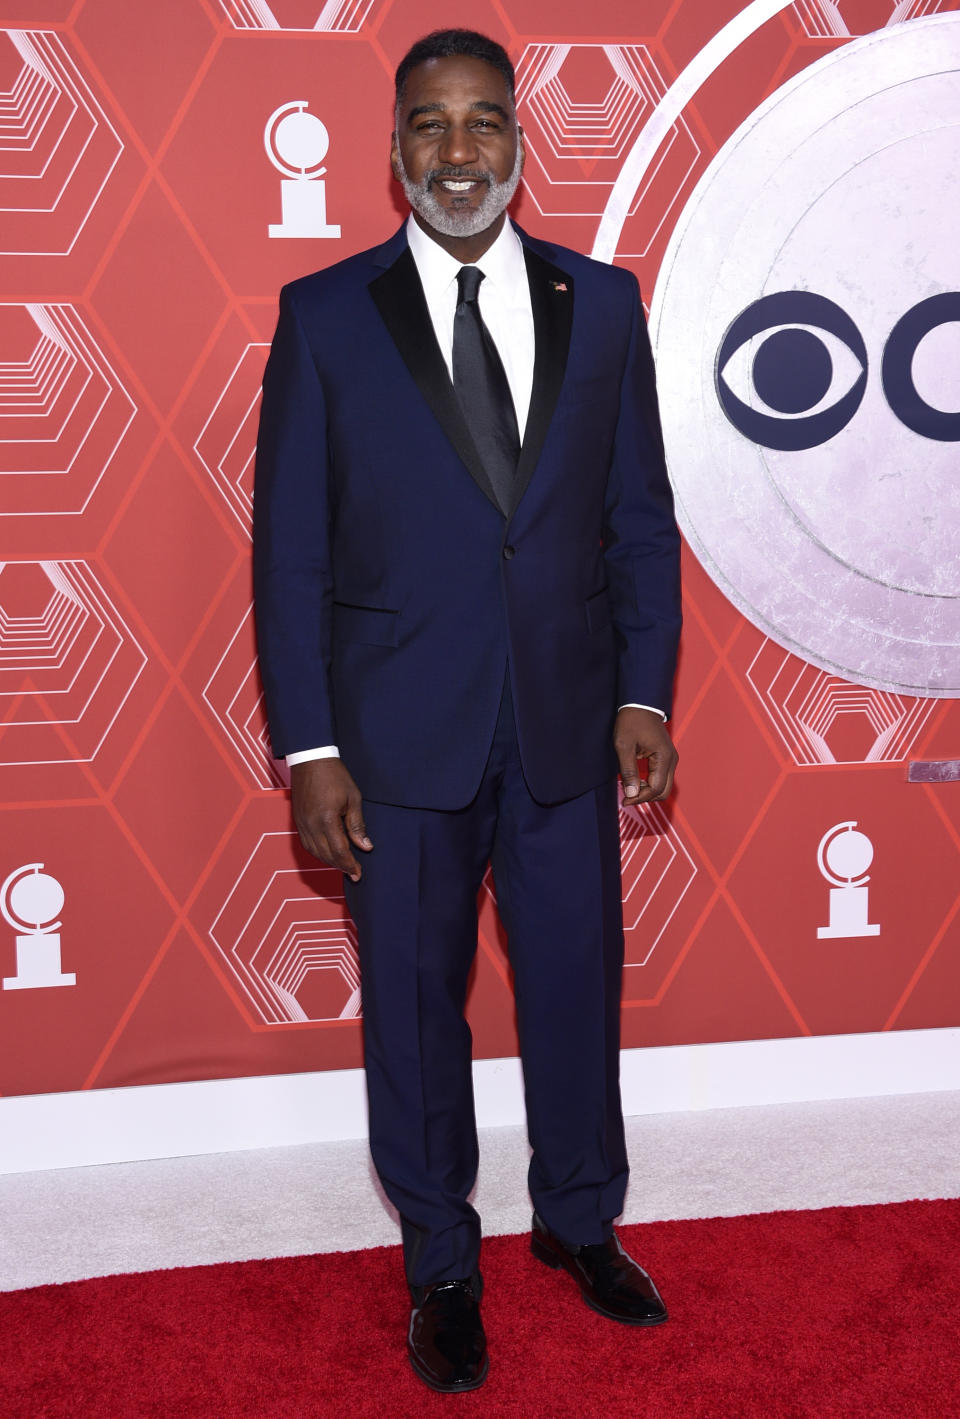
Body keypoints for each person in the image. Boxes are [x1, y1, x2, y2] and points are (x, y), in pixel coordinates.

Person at [254, 28, 682, 1394]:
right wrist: (312, 746)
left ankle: (580, 1223)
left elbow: (637, 522)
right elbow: (293, 556)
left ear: (517, 143)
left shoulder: (605, 304)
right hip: (394, 740)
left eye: (483, 123)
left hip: (563, 722)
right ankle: (441, 1255)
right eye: (429, 127)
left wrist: (641, 689)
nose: (458, 152)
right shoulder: (325, 318)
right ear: (391, 153)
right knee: (418, 1014)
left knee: (575, 989)